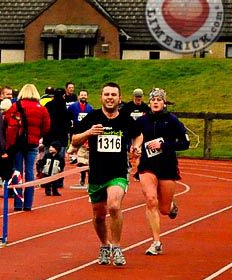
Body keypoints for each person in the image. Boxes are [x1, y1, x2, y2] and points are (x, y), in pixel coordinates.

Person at [71, 82, 141, 266]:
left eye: (113, 95)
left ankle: (116, 247)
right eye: (107, 94)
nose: (110, 98)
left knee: (114, 206)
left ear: (119, 98)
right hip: (97, 173)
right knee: (99, 215)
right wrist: (89, 132)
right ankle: (104, 244)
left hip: (118, 172)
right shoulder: (92, 117)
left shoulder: (125, 119)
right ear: (101, 97)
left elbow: (138, 135)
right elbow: (74, 140)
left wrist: (136, 146)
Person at [131, 88, 190, 256]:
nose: (156, 102)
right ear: (149, 103)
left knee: (163, 209)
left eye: (159, 100)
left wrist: (163, 145)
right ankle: (156, 242)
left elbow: (185, 143)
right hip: (147, 165)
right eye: (153, 100)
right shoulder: (142, 121)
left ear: (164, 103)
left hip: (167, 166)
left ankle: (170, 206)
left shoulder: (172, 120)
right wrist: (135, 148)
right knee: (151, 200)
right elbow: (133, 138)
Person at [3, 83, 51, 212]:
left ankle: (18, 203)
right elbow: (46, 126)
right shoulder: (41, 109)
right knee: (29, 171)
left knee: (17, 172)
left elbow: (6, 120)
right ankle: (28, 203)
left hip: (18, 142)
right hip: (32, 143)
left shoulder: (16, 106)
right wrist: (37, 135)